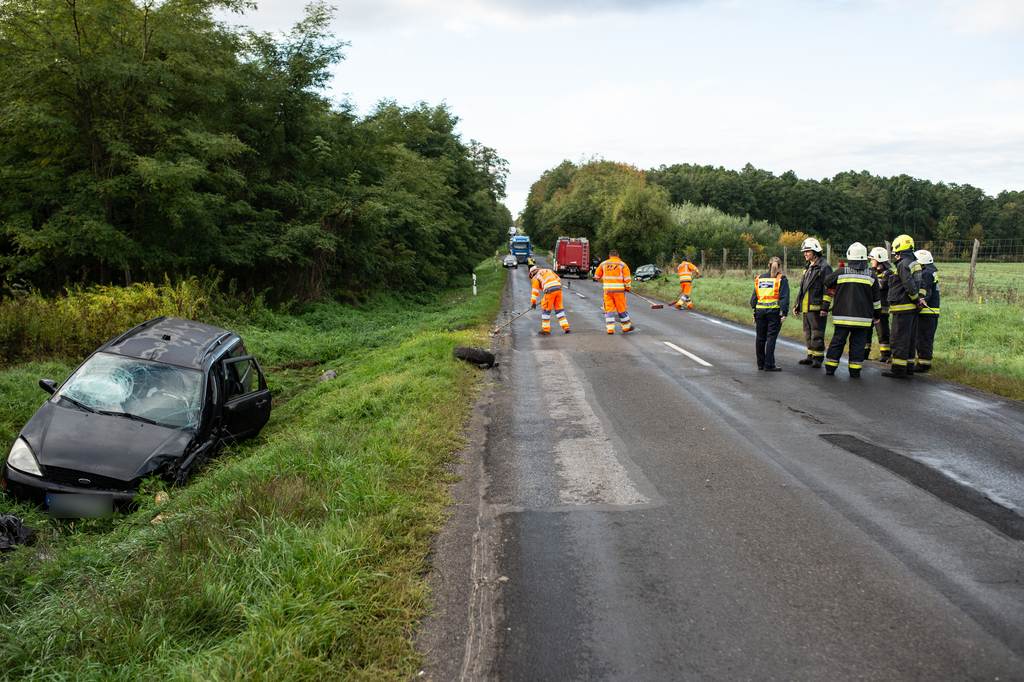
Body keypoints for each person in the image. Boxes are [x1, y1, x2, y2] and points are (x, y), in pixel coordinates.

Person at [820, 243, 880, 378]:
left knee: (838, 341)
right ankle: (855, 371)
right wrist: (877, 315)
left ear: (849, 255)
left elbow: (827, 281)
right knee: (858, 344)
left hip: (842, 316)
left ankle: (830, 368)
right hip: (863, 318)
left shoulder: (841, 272)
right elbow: (876, 299)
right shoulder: (871, 275)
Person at [882, 234, 925, 379]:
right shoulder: (915, 263)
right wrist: (920, 299)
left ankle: (898, 369)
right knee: (910, 339)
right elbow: (921, 285)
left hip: (902, 308)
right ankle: (909, 367)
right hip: (912, 310)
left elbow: (908, 284)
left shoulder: (903, 264)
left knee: (899, 339)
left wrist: (915, 299)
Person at [794, 237, 833, 367]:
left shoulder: (824, 267)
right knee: (807, 333)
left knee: (817, 333)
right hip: (806, 307)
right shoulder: (808, 267)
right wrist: (797, 304)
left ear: (815, 252)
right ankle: (810, 356)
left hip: (817, 307)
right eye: (804, 251)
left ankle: (818, 359)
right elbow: (803, 288)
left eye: (808, 251)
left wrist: (824, 307)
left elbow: (828, 289)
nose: (805, 253)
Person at [750, 256, 789, 371]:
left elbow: (754, 298)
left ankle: (760, 364)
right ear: (780, 266)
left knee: (760, 338)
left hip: (760, 312)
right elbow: (783, 299)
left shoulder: (759, 278)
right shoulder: (781, 279)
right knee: (771, 338)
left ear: (768, 265)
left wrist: (755, 310)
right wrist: (784, 313)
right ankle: (769, 364)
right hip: (774, 313)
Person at [594, 250, 635, 334]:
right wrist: (627, 288)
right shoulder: (623, 265)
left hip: (608, 291)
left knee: (609, 309)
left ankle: (610, 329)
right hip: (619, 292)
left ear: (609, 256)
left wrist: (604, 278)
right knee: (621, 309)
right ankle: (626, 327)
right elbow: (627, 279)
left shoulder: (603, 264)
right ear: (618, 256)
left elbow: (596, 276)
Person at [866, 246, 894, 362]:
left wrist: (870, 282)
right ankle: (864, 353)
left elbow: (882, 286)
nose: (871, 261)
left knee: (882, 332)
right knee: (866, 331)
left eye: (872, 259)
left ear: (879, 259)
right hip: (869, 306)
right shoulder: (870, 271)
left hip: (882, 307)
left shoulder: (889, 273)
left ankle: (885, 354)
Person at [915, 249, 940, 372]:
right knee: (924, 338)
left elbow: (927, 292)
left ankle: (924, 364)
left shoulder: (926, 274)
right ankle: (923, 361)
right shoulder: (931, 272)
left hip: (927, 313)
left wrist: (919, 303)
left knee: (923, 338)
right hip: (931, 313)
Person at [529, 265, 571, 334]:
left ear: (532, 272)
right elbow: (558, 279)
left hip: (550, 291)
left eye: (530, 274)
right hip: (558, 289)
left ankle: (545, 329)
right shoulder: (548, 270)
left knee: (546, 310)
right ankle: (566, 327)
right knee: (559, 309)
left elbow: (535, 291)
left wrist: (533, 303)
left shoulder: (536, 277)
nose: (531, 276)